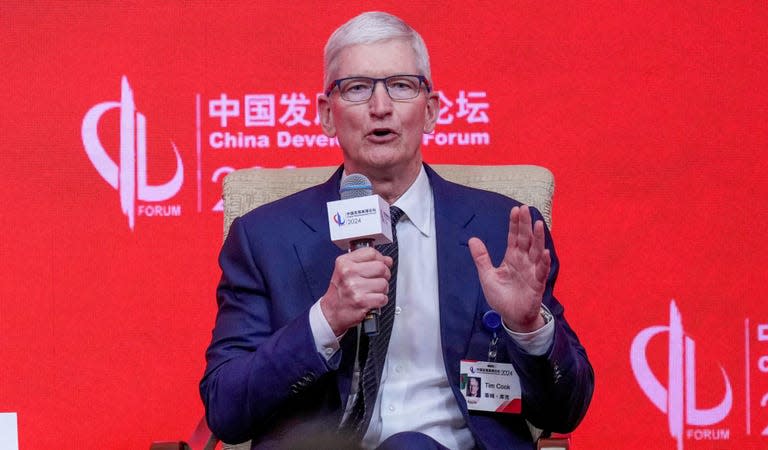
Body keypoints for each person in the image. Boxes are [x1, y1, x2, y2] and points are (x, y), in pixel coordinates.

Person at [200, 11, 593, 450]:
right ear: (326, 115)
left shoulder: (506, 231)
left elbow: (565, 410)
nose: (380, 106)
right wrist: (324, 320)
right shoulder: (263, 238)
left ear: (431, 111)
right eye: (358, 88)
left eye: (401, 86)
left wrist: (528, 329)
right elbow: (225, 410)